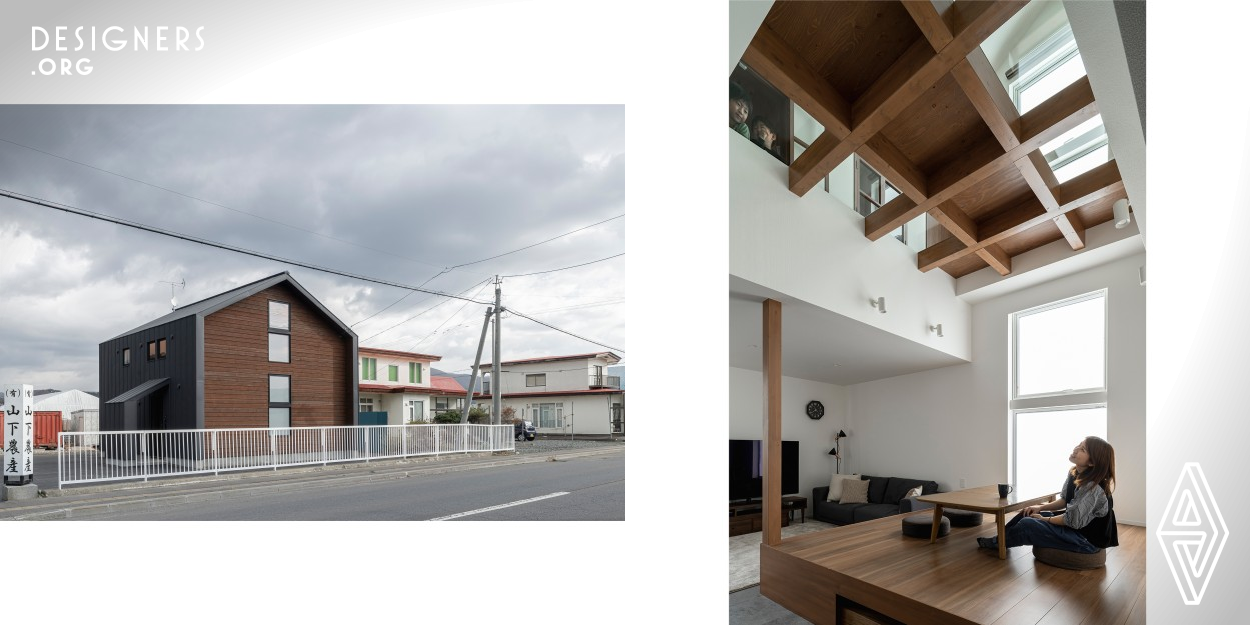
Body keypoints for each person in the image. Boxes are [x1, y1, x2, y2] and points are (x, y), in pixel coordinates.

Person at [977, 436, 1119, 553]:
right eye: (1079, 444)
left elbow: (1071, 520)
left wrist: (1044, 520)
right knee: (1027, 513)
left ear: (1092, 462)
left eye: (1082, 449)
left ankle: (997, 543)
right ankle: (1000, 539)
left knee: (1028, 524)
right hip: (1073, 528)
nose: (1076, 449)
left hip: (1086, 540)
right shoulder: (1074, 473)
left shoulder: (1093, 487)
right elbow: (1064, 500)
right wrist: (1039, 509)